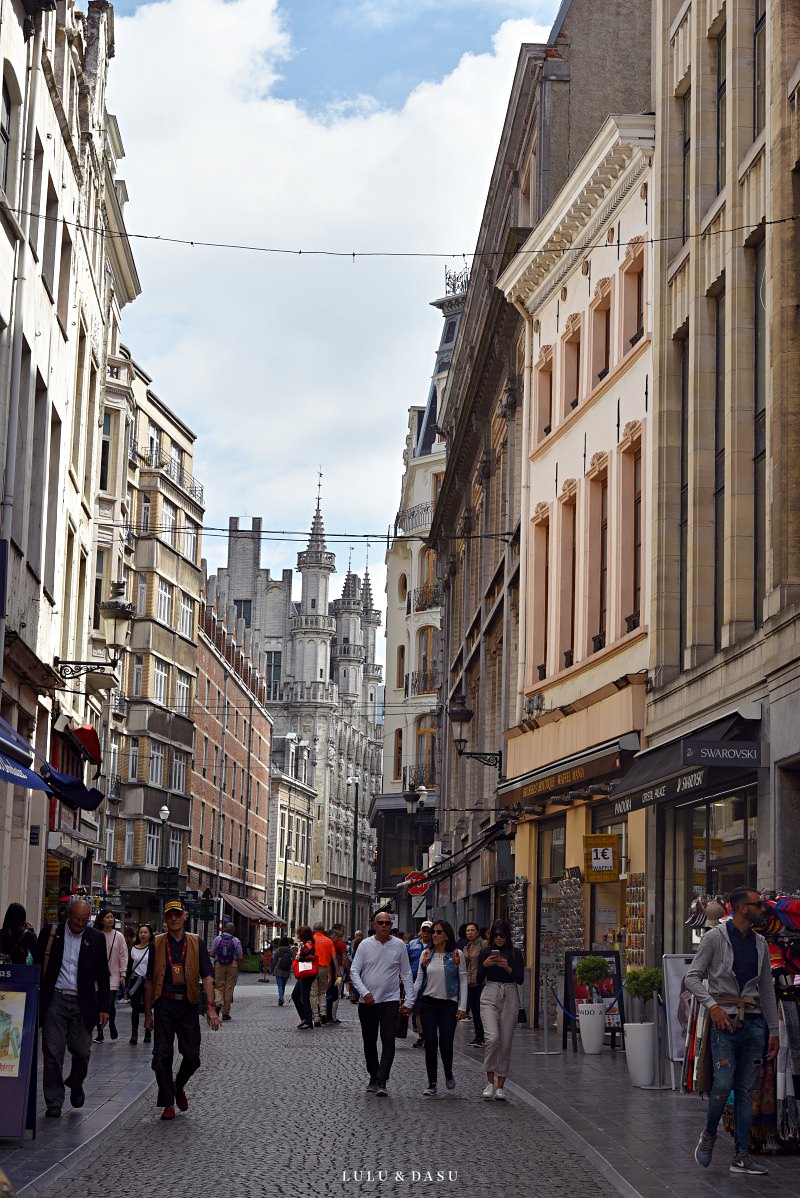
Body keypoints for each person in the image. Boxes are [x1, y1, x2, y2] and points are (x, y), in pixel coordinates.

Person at [687, 887, 779, 1176]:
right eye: (759, 904)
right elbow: (692, 978)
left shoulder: (761, 943)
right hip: (723, 1021)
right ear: (741, 908)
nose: (764, 909)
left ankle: (741, 1155)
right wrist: (712, 1006)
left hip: (753, 1023)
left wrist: (773, 1030)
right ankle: (709, 1134)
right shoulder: (716, 938)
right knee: (723, 1084)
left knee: (745, 1091)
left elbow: (766, 988)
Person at [144, 899, 220, 1120]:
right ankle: (168, 1103)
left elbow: (207, 976)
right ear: (166, 920)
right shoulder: (157, 944)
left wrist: (211, 1008)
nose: (174, 918)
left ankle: (178, 1086)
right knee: (162, 1055)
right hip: (165, 1004)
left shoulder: (196, 942)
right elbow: (149, 981)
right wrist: (148, 1013)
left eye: (178, 914)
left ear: (184, 916)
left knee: (193, 1056)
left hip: (187, 1004)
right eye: (170, 916)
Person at [36, 895, 110, 1117]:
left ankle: (76, 1083)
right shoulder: (51, 934)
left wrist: (105, 1008)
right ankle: (54, 1102)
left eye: (84, 919)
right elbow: (37, 964)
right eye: (77, 919)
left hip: (82, 1002)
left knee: (81, 1051)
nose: (80, 923)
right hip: (56, 1000)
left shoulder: (96, 939)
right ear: (68, 916)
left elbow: (103, 976)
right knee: (52, 1052)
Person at [350, 911, 414, 1096]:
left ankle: (382, 1080)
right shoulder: (364, 945)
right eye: (381, 923)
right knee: (369, 1041)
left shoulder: (399, 945)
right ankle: (373, 1075)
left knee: (388, 1040)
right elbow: (354, 971)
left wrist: (409, 1000)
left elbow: (407, 973)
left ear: (391, 925)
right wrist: (364, 992)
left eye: (387, 923)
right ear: (374, 925)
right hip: (367, 1002)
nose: (384, 926)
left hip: (390, 1001)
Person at [412, 920, 467, 1095]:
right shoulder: (426, 954)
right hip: (428, 1003)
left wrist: (462, 1006)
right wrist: (409, 1001)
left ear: (447, 935)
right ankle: (432, 1083)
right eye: (433, 932)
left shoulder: (457, 954)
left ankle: (448, 1072)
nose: (434, 935)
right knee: (430, 1044)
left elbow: (463, 981)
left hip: (448, 1005)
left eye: (438, 932)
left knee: (446, 1044)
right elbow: (419, 980)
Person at [477, 918, 524, 1101]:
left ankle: (501, 1086)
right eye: (495, 935)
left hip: (510, 993)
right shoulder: (485, 952)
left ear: (508, 936)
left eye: (502, 935)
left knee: (505, 1043)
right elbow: (479, 978)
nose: (498, 938)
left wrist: (508, 968)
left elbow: (520, 979)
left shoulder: (515, 953)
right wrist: (485, 965)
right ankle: (489, 1081)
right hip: (490, 992)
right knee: (492, 1037)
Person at [93, 908, 128, 1043]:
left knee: (108, 1003)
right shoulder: (96, 934)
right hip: (98, 976)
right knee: (97, 1004)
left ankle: (111, 1023)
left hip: (113, 974)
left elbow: (123, 956)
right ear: (101, 920)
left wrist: (123, 974)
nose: (110, 919)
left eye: (112, 917)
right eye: (107, 917)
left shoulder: (118, 936)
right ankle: (100, 1032)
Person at [406, 921, 433, 1048]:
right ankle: (421, 1036)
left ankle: (430, 1036)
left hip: (431, 982)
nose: (426, 933)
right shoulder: (412, 945)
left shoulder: (435, 945)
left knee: (429, 1010)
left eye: (429, 931)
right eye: (424, 930)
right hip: (414, 980)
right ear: (420, 931)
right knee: (417, 1010)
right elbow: (405, 960)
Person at [126, 924, 153, 1045]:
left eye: (145, 932)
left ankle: (148, 1031)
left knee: (148, 1007)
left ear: (150, 934)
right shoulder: (133, 948)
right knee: (135, 1007)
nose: (143, 934)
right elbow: (129, 967)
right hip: (135, 980)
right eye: (141, 932)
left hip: (148, 980)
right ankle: (134, 1033)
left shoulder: (153, 948)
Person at [210, 921, 243, 1020]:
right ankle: (225, 1012)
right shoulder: (236, 940)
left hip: (219, 964)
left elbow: (212, 953)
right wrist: (238, 965)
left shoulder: (218, 939)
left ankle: (218, 1003)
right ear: (234, 930)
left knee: (219, 986)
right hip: (232, 965)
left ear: (224, 929)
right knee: (229, 989)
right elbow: (240, 956)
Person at [463, 922, 488, 1046]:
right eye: (468, 931)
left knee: (480, 1010)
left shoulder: (484, 944)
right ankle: (478, 1036)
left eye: (472, 930)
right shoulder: (466, 947)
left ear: (477, 932)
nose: (470, 933)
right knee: (474, 1011)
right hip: (470, 983)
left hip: (482, 982)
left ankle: (481, 1036)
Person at [310, 920, 337, 1025]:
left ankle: (316, 1017)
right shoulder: (328, 941)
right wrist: (337, 971)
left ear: (314, 929)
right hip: (324, 968)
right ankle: (323, 1011)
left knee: (313, 993)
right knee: (322, 992)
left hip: (313, 968)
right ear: (323, 929)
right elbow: (334, 957)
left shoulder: (311, 941)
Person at [291, 926, 317, 1029]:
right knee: (296, 995)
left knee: (303, 997)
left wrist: (299, 958)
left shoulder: (309, 945)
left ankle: (308, 1021)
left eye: (299, 934)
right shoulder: (308, 944)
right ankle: (304, 1018)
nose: (298, 936)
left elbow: (311, 957)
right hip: (305, 974)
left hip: (306, 973)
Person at [327, 923, 350, 1024]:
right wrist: (349, 972)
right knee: (336, 992)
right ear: (337, 931)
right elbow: (345, 959)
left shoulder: (327, 941)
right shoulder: (341, 943)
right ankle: (332, 1016)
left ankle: (325, 1013)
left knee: (328, 992)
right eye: (342, 930)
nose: (343, 932)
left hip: (327, 969)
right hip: (339, 970)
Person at [271, 936, 294, 1005]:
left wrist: (272, 969)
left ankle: (281, 998)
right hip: (287, 970)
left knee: (280, 985)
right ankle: (281, 997)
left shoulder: (278, 950)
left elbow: (274, 961)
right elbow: (293, 960)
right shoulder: (290, 950)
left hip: (279, 969)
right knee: (283, 985)